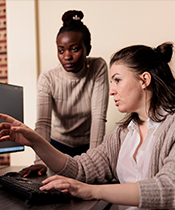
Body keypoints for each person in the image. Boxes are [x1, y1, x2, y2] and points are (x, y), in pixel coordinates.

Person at [0, 42, 175, 210]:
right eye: (111, 82)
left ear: (144, 80)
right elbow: (79, 169)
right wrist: (36, 142)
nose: (111, 90)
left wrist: (91, 191)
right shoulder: (123, 134)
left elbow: (171, 189)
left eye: (117, 80)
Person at [19, 10, 109, 178]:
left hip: (88, 146)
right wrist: (40, 161)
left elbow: (98, 117)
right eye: (61, 50)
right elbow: (44, 123)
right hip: (57, 147)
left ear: (87, 49)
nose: (67, 56)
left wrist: (95, 160)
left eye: (74, 49)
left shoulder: (98, 67)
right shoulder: (48, 77)